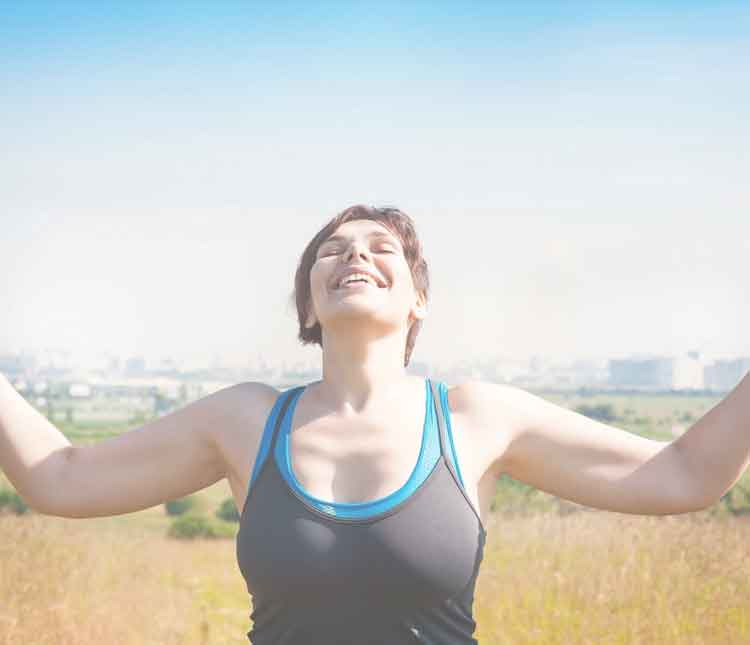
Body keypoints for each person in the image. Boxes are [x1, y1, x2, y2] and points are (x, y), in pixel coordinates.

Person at [1, 204, 748, 644]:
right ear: (308, 306)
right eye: (331, 250)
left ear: (418, 300)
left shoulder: (475, 417)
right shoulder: (246, 419)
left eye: (378, 247)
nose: (353, 253)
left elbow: (686, 473)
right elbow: (57, 477)